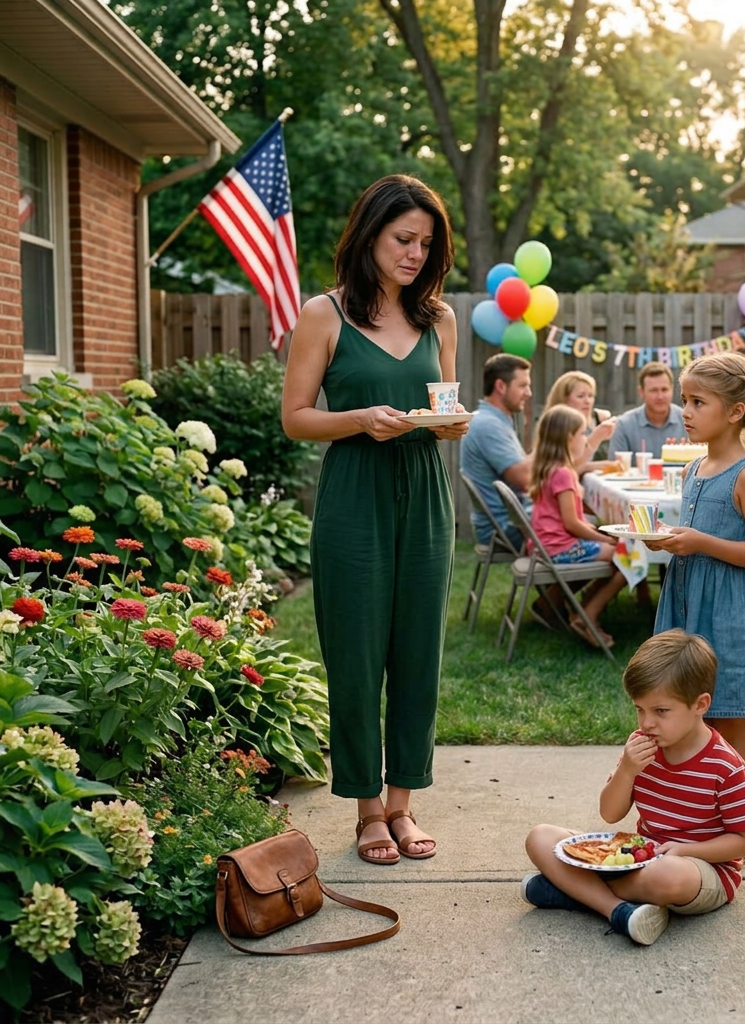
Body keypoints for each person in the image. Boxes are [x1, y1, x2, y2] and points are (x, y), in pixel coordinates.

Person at [281, 174, 466, 865]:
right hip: (354, 492)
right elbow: (296, 417)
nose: (416, 254)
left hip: (425, 491)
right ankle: (366, 810)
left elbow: (444, 406)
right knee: (356, 655)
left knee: (418, 652)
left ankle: (402, 804)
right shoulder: (324, 314)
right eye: (403, 239)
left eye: (426, 243)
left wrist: (450, 424)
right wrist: (359, 419)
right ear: (370, 235)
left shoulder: (439, 320)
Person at [522, 630, 745, 947]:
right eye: (639, 708)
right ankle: (617, 910)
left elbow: (744, 841)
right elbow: (610, 813)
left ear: (700, 704)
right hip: (639, 857)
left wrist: (685, 850)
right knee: (540, 837)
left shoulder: (726, 766)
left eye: (661, 711)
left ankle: (573, 891)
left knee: (669, 875)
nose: (646, 723)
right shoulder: (642, 747)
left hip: (701, 870)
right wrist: (627, 770)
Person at [645, 351, 745, 796]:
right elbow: (695, 535)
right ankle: (695, 810)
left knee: (727, 717)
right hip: (686, 602)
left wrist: (700, 543)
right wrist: (667, 540)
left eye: (698, 402)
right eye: (685, 400)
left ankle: (742, 821)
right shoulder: (693, 469)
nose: (685, 411)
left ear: (735, 412)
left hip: (727, 611)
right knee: (681, 708)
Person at [529, 404, 628, 647]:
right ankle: (587, 616)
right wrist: (605, 539)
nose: (585, 439)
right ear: (568, 438)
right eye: (582, 433)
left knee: (617, 549)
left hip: (546, 545)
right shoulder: (563, 474)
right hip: (559, 547)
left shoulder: (551, 468)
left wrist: (600, 534)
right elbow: (572, 523)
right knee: (626, 557)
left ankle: (563, 606)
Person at [460, 353, 533, 551]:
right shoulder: (488, 425)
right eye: (522, 385)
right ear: (500, 386)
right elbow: (525, 479)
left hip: (512, 521)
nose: (529, 393)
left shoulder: (495, 420)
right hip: (506, 528)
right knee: (599, 532)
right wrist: (552, 440)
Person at [606, 362, 686, 459]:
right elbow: (616, 465)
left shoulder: (688, 421)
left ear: (672, 390)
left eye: (664, 390)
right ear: (641, 392)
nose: (660, 397)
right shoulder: (624, 425)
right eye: (654, 390)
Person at [543, 370, 616, 469]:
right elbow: (567, 468)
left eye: (590, 396)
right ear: (564, 399)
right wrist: (596, 437)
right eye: (580, 396)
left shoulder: (598, 419)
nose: (587, 401)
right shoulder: (556, 427)